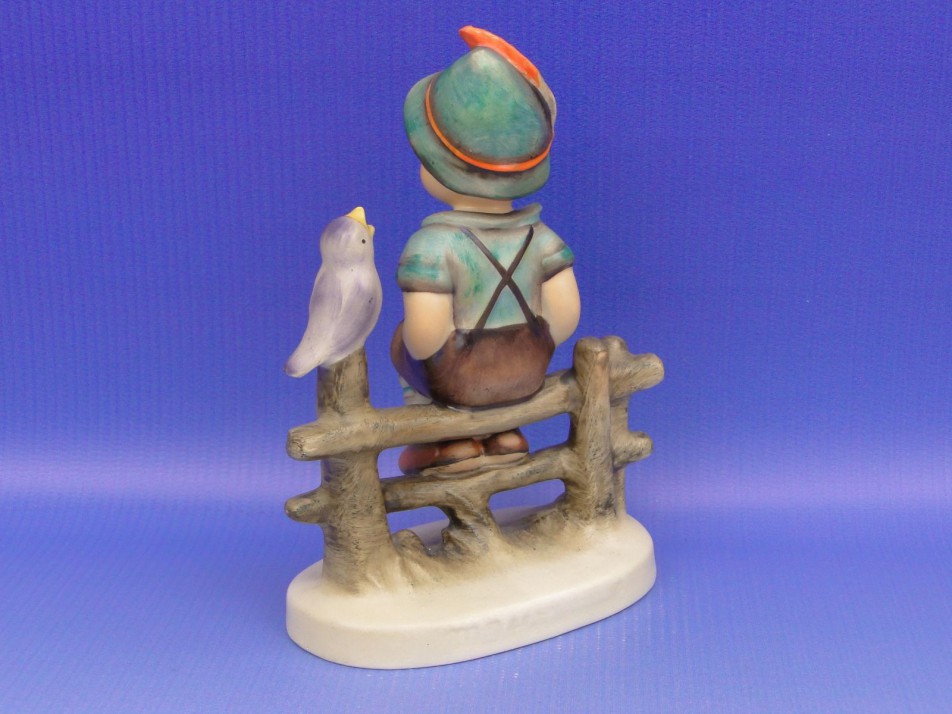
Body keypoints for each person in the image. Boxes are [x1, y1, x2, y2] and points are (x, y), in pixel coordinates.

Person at [392, 27, 580, 474]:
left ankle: (445, 440)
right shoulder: (544, 237)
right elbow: (566, 315)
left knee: (401, 345)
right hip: (525, 371)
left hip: (459, 381)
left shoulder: (432, 246)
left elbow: (425, 335)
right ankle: (506, 434)